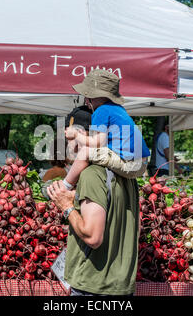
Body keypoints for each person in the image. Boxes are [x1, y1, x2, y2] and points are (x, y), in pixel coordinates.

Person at [47, 106, 140, 296]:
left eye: (70, 139)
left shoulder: (91, 174)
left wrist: (66, 207)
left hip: (93, 287)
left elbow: (93, 237)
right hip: (121, 285)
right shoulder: (128, 176)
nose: (68, 146)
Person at [62, 69, 150, 191]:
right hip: (141, 163)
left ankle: (66, 185)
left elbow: (98, 142)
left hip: (131, 163)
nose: (86, 101)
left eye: (88, 96)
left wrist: (76, 134)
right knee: (93, 153)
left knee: (85, 152)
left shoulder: (101, 111)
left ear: (99, 96)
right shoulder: (117, 109)